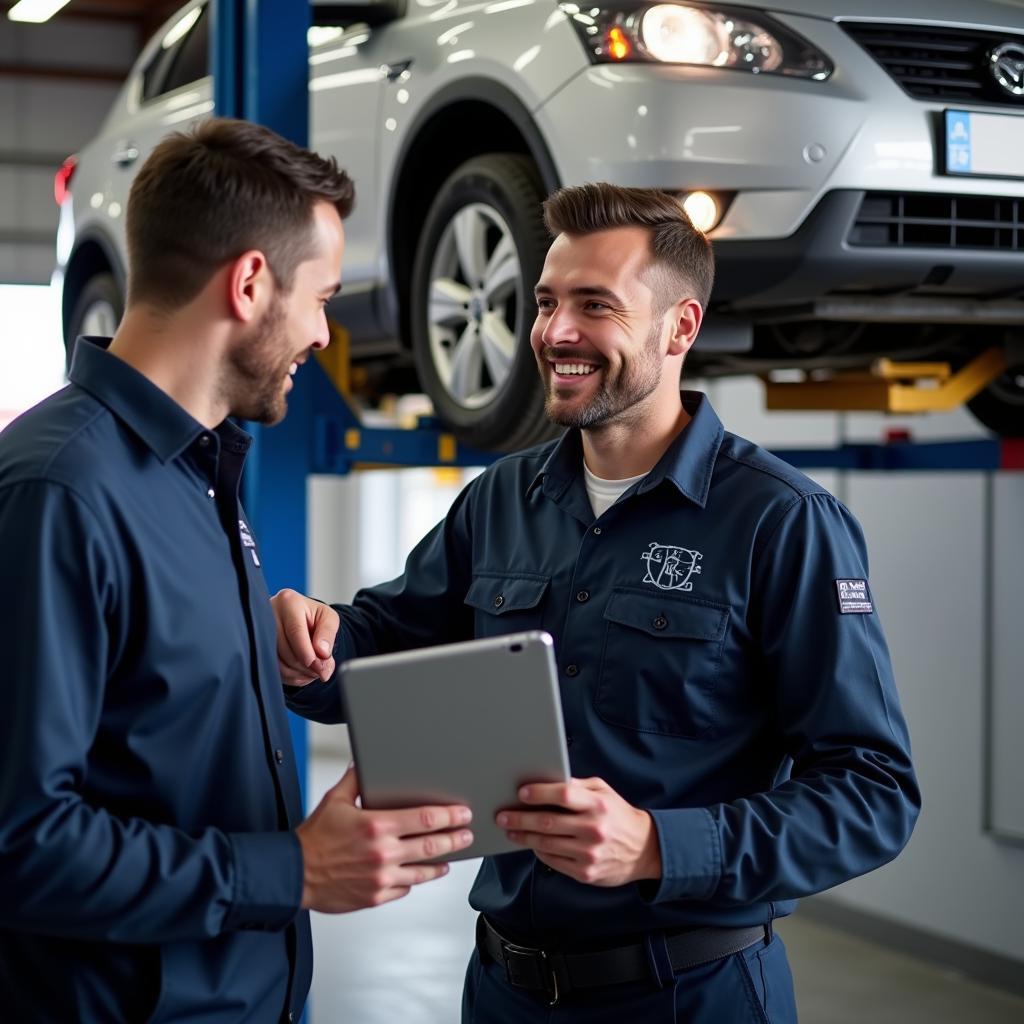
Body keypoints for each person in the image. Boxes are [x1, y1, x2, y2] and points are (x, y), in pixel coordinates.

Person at [274, 184, 921, 1022]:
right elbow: (384, 643)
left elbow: (873, 794)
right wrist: (317, 642)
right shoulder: (502, 499)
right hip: (503, 989)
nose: (554, 333)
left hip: (690, 995)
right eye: (546, 303)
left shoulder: (781, 523)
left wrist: (659, 847)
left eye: (594, 305)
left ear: (679, 327)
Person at [0, 118, 473, 1023]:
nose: (325, 334)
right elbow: (21, 844)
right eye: (322, 298)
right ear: (251, 283)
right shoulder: (60, 493)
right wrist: (294, 869)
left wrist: (255, 630)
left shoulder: (200, 471)